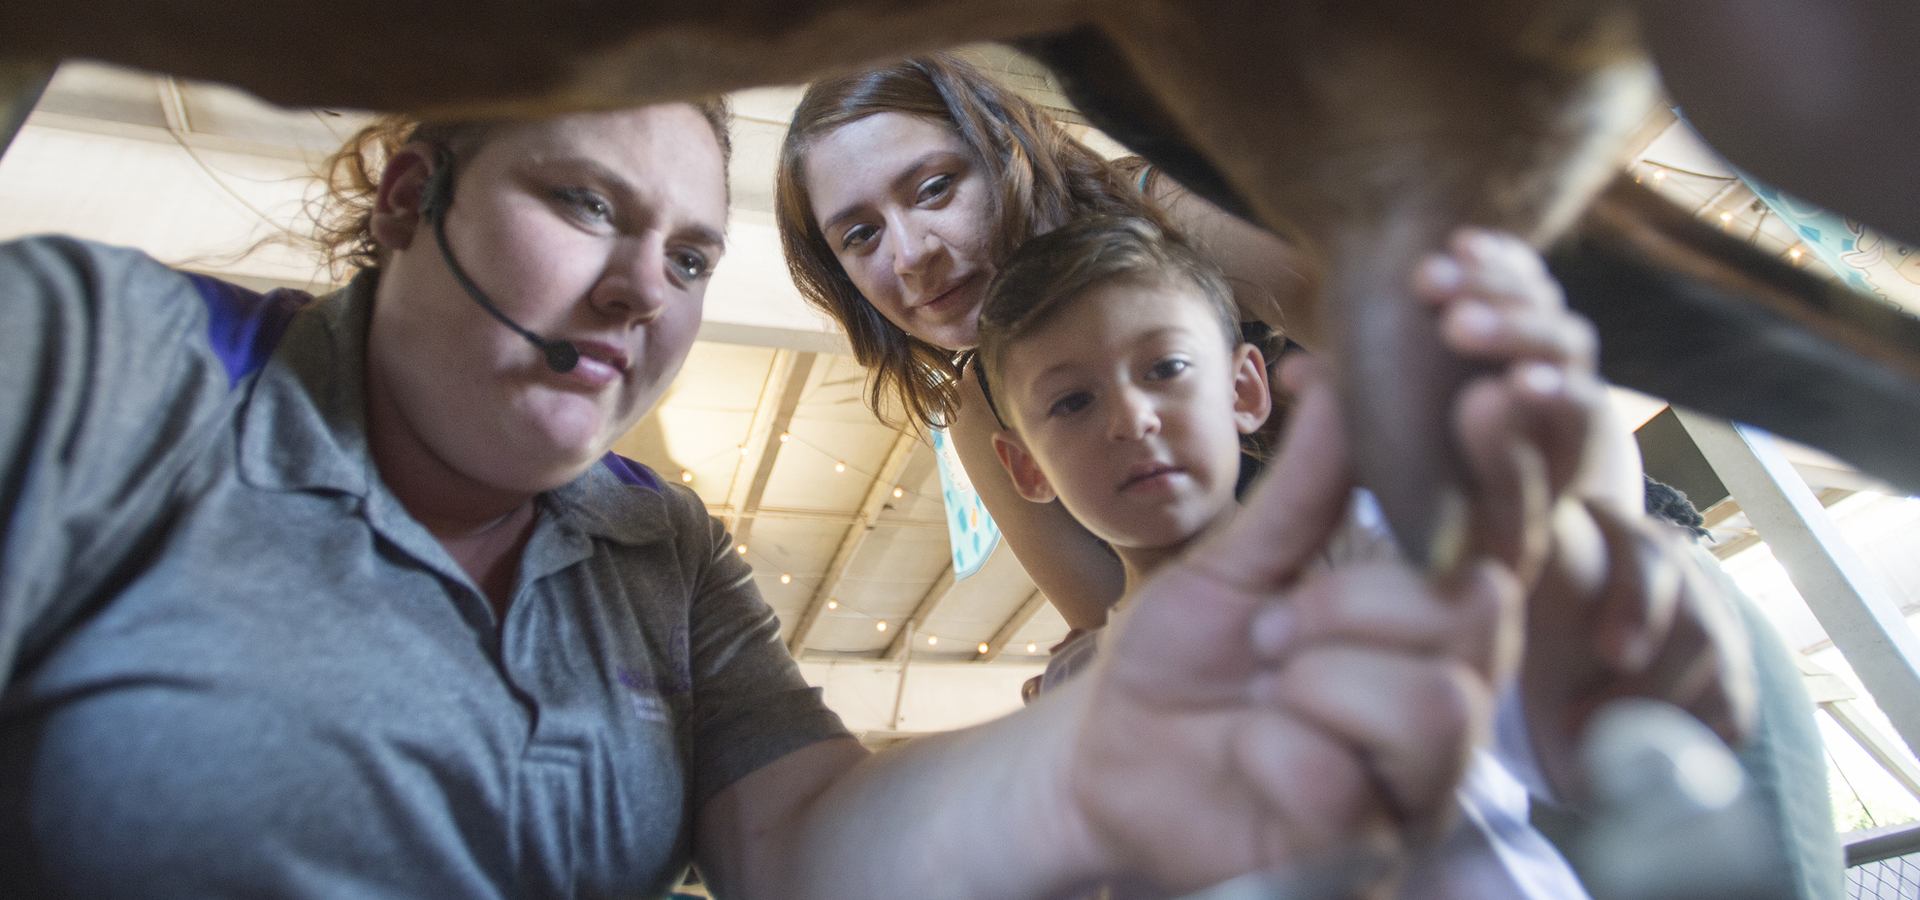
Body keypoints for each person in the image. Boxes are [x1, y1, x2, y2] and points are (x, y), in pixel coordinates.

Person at [0, 100, 1536, 899]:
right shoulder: (106, 360)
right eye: (585, 205)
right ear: (412, 199)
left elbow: (804, 847)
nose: (634, 295)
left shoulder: (653, 545)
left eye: (686, 260)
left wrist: (1093, 749)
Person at [775, 53, 1756, 794]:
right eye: (859, 234)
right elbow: (1114, 615)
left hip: (1587, 602)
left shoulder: (1181, 216)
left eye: (936, 186)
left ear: (1006, 152)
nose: (912, 254)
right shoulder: (982, 410)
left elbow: (1477, 381)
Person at [975, 214, 1623, 897]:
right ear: (1028, 470)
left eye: (1165, 367)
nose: (1131, 418)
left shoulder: (1371, 543)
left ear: (1244, 390)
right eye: (1072, 401)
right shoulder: (1073, 692)